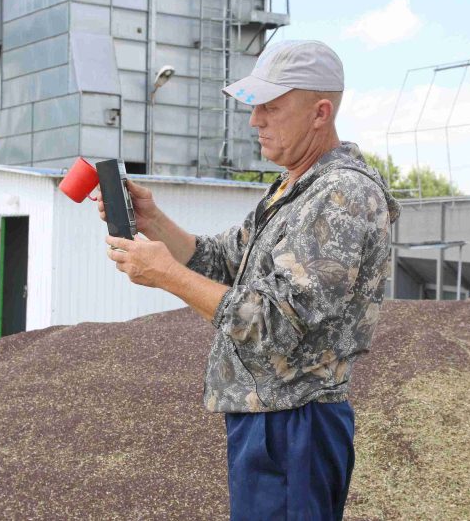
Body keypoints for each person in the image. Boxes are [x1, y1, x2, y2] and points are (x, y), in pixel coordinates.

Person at [98, 40, 400, 521]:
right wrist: (153, 221)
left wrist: (166, 276)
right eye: (255, 106)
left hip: (296, 422)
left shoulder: (342, 195)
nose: (255, 119)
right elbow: (221, 260)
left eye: (271, 107)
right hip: (273, 418)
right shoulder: (294, 187)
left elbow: (276, 324)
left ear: (320, 112)